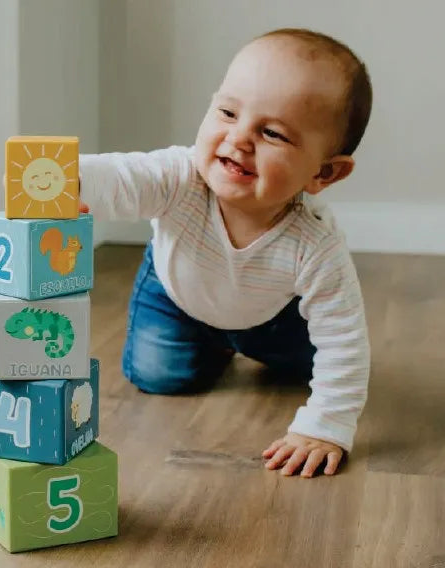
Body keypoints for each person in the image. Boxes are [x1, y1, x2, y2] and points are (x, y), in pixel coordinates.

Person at [78, 28, 373, 478]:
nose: (238, 139)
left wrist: (326, 426)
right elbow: (122, 177)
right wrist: (64, 180)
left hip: (274, 316)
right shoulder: (179, 177)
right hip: (175, 295)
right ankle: (212, 346)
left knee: (310, 367)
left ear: (325, 172)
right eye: (228, 112)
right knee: (159, 377)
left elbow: (344, 340)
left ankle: (243, 345)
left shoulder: (315, 243)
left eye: (272, 133)